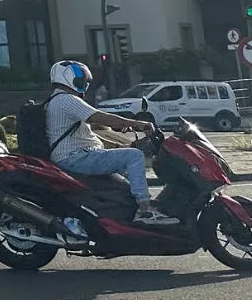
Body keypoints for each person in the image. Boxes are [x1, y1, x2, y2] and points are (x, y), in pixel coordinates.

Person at [43, 60, 178, 226]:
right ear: (68, 79)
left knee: (127, 162)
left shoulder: (57, 100)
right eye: (81, 82)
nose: (84, 86)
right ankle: (145, 209)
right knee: (134, 157)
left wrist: (121, 145)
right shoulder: (66, 99)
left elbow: (88, 137)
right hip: (74, 158)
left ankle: (125, 210)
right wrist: (137, 124)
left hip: (78, 155)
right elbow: (98, 117)